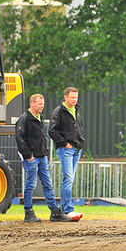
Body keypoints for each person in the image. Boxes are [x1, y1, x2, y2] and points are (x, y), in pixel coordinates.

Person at [15, 94, 72, 223]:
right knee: (30, 184)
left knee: (47, 184)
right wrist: (28, 156)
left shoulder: (39, 118)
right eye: (40, 104)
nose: (43, 106)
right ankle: (28, 212)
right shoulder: (24, 119)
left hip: (41, 157)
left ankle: (54, 212)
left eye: (43, 103)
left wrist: (44, 152)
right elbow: (20, 138)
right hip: (32, 158)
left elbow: (41, 138)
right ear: (32, 104)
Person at [49, 87, 85, 222]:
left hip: (77, 149)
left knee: (71, 178)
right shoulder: (58, 112)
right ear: (65, 97)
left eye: (76, 97)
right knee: (68, 178)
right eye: (72, 97)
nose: (74, 100)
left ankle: (68, 208)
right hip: (66, 150)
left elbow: (79, 127)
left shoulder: (76, 110)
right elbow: (52, 131)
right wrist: (64, 143)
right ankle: (67, 209)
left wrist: (80, 142)